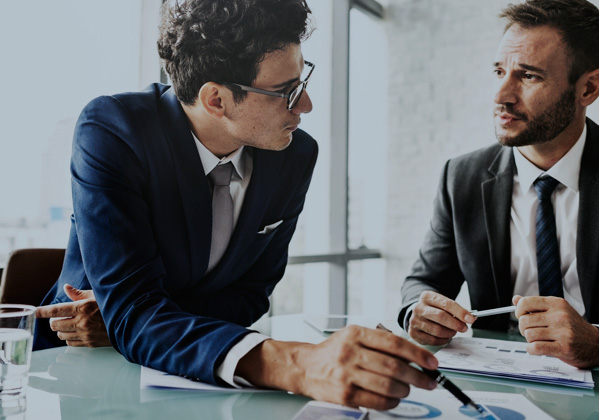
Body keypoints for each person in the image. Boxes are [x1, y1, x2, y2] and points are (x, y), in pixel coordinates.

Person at [34, 0, 439, 409]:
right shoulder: (114, 130)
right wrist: (297, 364)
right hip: (77, 373)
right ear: (216, 100)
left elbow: (250, 295)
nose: (305, 106)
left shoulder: (295, 155)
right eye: (286, 92)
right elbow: (135, 312)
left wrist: (145, 323)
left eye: (302, 81)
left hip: (200, 380)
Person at [399, 0, 599, 370]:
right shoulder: (461, 176)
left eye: (528, 76)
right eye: (498, 71)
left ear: (589, 88)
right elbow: (423, 282)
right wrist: (418, 311)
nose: (500, 96)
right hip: (500, 380)